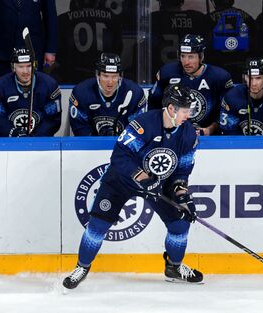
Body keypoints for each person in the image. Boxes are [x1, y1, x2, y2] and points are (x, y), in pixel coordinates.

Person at [63, 84, 203, 289]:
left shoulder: (188, 135)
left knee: (180, 224)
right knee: (97, 226)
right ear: (171, 109)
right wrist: (143, 178)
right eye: (184, 110)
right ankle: (82, 267)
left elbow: (181, 172)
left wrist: (183, 196)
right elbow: (120, 157)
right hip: (120, 181)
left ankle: (174, 267)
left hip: (157, 184)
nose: (188, 115)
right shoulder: (143, 124)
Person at [149, 34, 233, 135]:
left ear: (201, 57)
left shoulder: (219, 77)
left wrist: (210, 130)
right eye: (183, 56)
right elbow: (153, 105)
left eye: (191, 57)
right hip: (173, 135)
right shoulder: (167, 73)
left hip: (210, 136)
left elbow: (229, 111)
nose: (186, 62)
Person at [0, 48, 62, 137]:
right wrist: (13, 133)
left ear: (34, 66)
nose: (25, 71)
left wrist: (36, 136)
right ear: (13, 67)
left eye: (28, 66)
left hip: (40, 143)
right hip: (7, 143)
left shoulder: (50, 85)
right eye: (21, 67)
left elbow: (52, 119)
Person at [0, 0, 58, 82]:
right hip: (2, 50)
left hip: (32, 49)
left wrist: (50, 49)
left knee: (33, 91)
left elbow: (51, 16)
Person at [69, 53, 146, 136]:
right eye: (106, 76)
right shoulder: (81, 92)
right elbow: (79, 128)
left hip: (123, 145)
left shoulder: (135, 94)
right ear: (97, 75)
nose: (110, 81)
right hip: (91, 146)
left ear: (120, 76)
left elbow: (138, 129)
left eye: (114, 76)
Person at [53, 0, 122, 84]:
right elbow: (117, 48)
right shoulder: (112, 18)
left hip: (74, 74)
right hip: (103, 72)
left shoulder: (63, 19)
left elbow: (58, 51)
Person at [150, 0, 212, 77]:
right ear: (181, 2)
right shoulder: (198, 17)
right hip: (192, 73)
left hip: (164, 71)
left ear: (162, 2)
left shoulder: (155, 18)